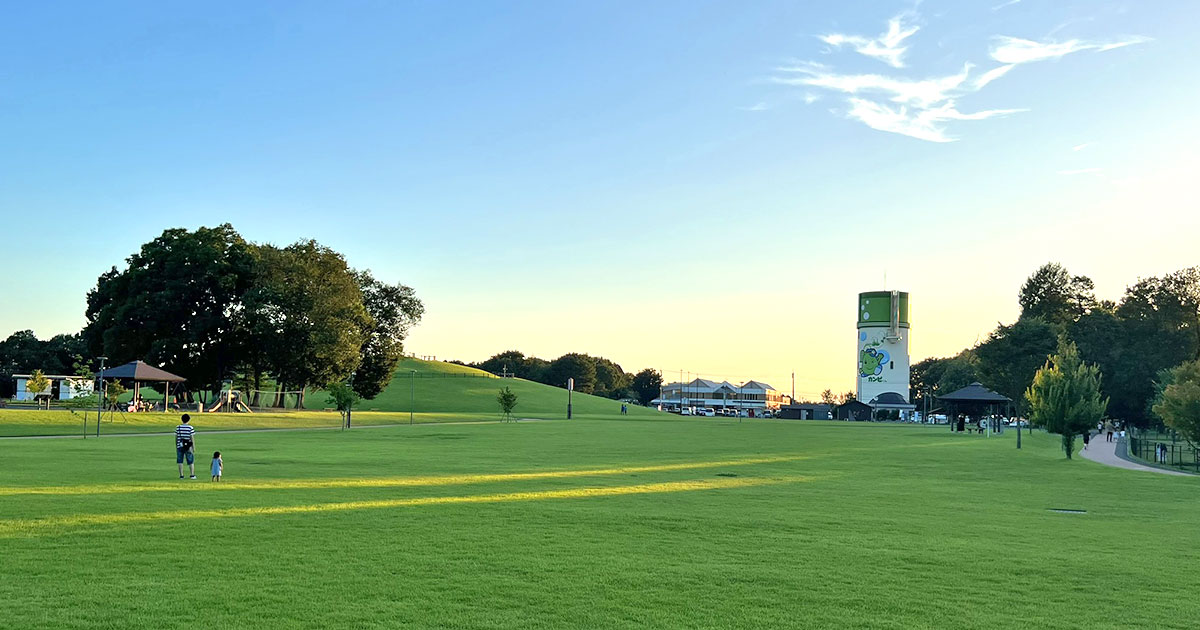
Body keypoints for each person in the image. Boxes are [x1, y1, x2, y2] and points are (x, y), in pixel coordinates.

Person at [175, 414, 196, 479]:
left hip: (180, 445)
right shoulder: (190, 428)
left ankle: (181, 475)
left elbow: (176, 437)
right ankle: (192, 475)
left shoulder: (178, 427)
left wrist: (176, 445)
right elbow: (192, 437)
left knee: (180, 461)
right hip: (188, 446)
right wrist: (193, 447)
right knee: (190, 461)